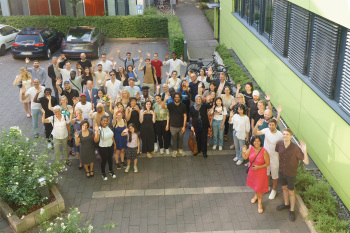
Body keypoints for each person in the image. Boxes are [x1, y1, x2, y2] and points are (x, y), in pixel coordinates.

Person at [275, 129, 309, 222]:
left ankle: (292, 210)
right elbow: (279, 156)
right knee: (284, 188)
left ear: (291, 136)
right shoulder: (279, 144)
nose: (285, 135)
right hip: (281, 172)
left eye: (287, 134)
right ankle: (286, 204)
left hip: (291, 174)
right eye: (284, 134)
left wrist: (305, 151)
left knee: (291, 192)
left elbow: (306, 162)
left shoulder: (295, 148)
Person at [253, 118, 283, 200]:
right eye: (270, 124)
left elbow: (283, 145)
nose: (271, 126)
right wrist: (257, 125)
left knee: (274, 175)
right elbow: (255, 132)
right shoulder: (266, 130)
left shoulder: (280, 134)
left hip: (275, 157)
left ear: (276, 126)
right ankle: (267, 187)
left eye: (273, 125)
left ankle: (274, 190)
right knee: (266, 173)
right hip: (266, 156)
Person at [242, 136, 270, 214]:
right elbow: (244, 157)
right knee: (255, 186)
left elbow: (268, 163)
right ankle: (255, 196)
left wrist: (259, 167)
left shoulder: (264, 151)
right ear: (252, 142)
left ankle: (260, 203)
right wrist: (243, 151)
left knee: (259, 188)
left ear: (260, 142)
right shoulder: (251, 148)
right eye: (255, 141)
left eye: (258, 141)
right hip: (252, 171)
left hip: (260, 172)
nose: (256, 143)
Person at [162, 92, 187, 157]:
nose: (176, 98)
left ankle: (180, 149)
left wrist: (184, 126)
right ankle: (175, 150)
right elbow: (162, 106)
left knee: (181, 138)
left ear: (180, 98)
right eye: (175, 97)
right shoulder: (170, 104)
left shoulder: (183, 105)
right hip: (172, 125)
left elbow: (185, 116)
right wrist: (165, 100)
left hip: (181, 126)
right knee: (174, 138)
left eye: (178, 97)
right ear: (173, 98)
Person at [94, 116, 117, 180]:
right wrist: (96, 131)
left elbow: (112, 136)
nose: (105, 122)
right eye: (104, 120)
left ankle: (110, 171)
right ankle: (103, 173)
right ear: (101, 121)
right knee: (104, 160)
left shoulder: (109, 127)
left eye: (106, 121)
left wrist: (114, 145)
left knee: (110, 159)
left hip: (110, 146)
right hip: (103, 147)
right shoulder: (99, 129)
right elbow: (96, 140)